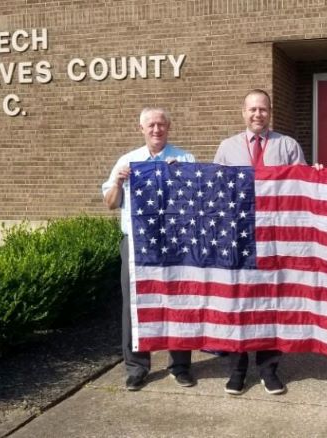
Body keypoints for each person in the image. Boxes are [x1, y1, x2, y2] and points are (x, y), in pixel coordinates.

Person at [213, 89, 306, 396]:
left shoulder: (288, 145)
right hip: (237, 238)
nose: (258, 114)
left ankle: (269, 370)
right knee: (238, 302)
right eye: (252, 109)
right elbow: (214, 191)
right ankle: (237, 371)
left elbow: (303, 188)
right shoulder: (227, 148)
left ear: (270, 113)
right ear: (243, 112)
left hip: (275, 239)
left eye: (263, 109)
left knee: (270, 303)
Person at [102, 107, 197, 391]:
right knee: (134, 305)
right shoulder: (128, 161)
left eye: (161, 125)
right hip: (137, 244)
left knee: (178, 303)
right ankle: (136, 367)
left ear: (169, 127)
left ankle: (180, 366)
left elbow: (194, 201)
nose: (156, 129)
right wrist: (118, 181)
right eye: (151, 125)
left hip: (175, 243)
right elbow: (109, 202)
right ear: (141, 129)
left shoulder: (184, 159)